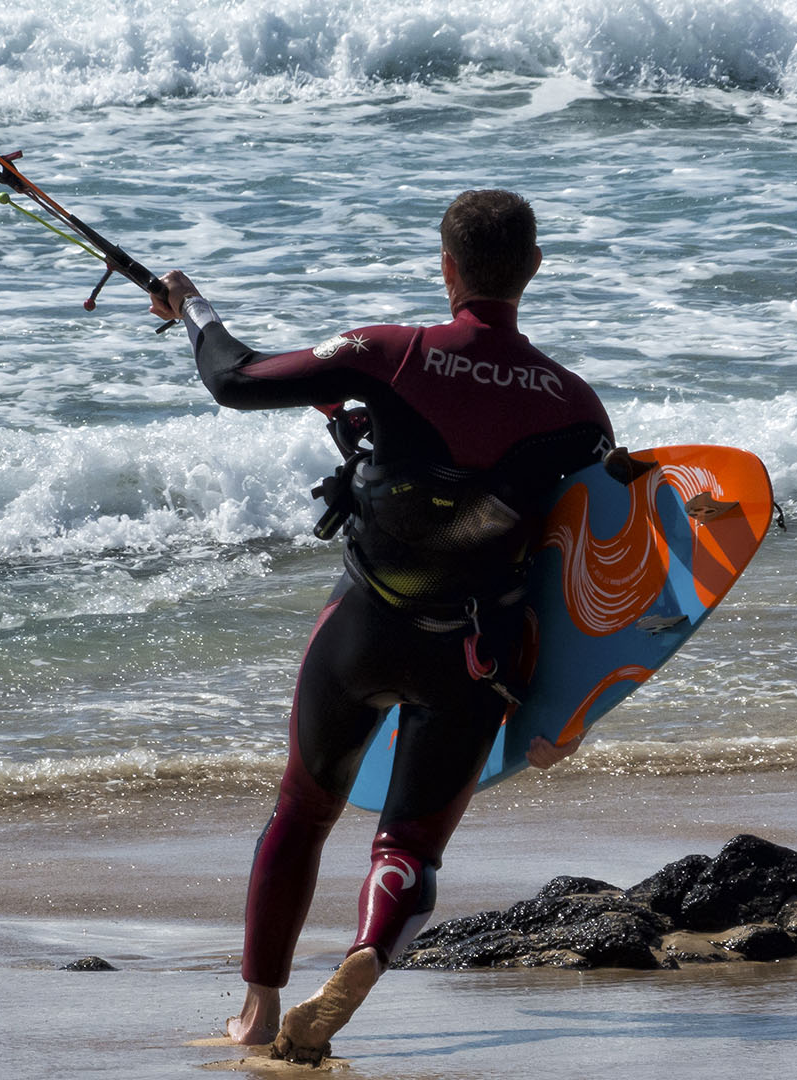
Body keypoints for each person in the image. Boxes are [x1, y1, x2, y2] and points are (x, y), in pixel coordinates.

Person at [147, 189, 614, 1064]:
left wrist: (192, 307)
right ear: (535, 270)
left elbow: (234, 379)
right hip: (475, 659)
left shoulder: (389, 354)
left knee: (301, 810)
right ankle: (365, 953)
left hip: (362, 630)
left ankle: (255, 1014)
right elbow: (578, 570)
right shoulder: (578, 409)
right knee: (409, 845)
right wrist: (563, 714)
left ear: (446, 270)